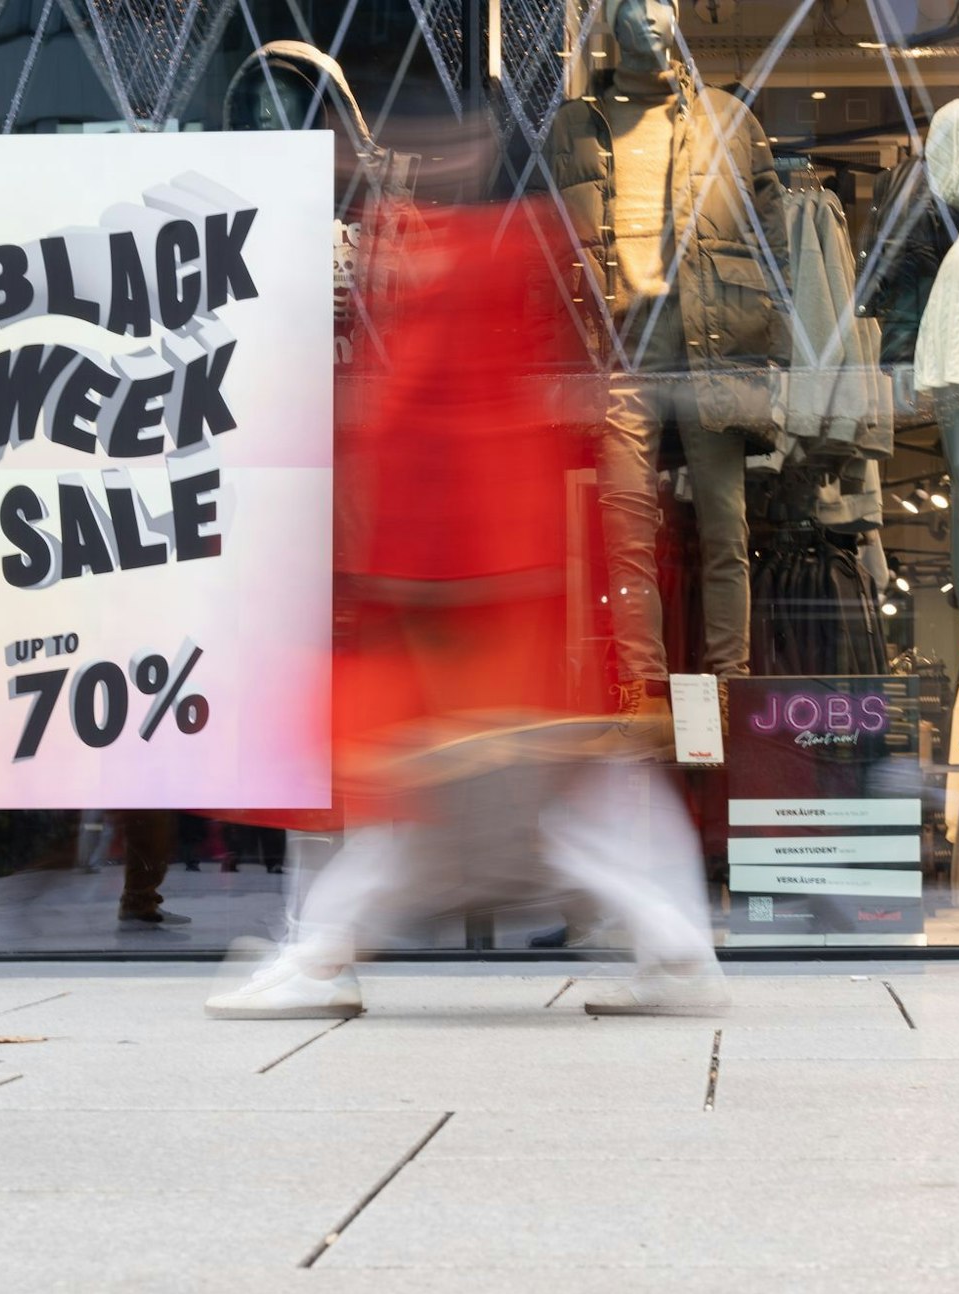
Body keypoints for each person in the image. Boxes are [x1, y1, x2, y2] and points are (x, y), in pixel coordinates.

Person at [205, 204, 726, 1019]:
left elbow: (429, 433)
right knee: (519, 798)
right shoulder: (507, 258)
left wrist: (400, 580)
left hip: (459, 585)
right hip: (492, 577)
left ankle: (319, 954)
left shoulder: (454, 266)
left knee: (432, 793)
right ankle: (673, 943)